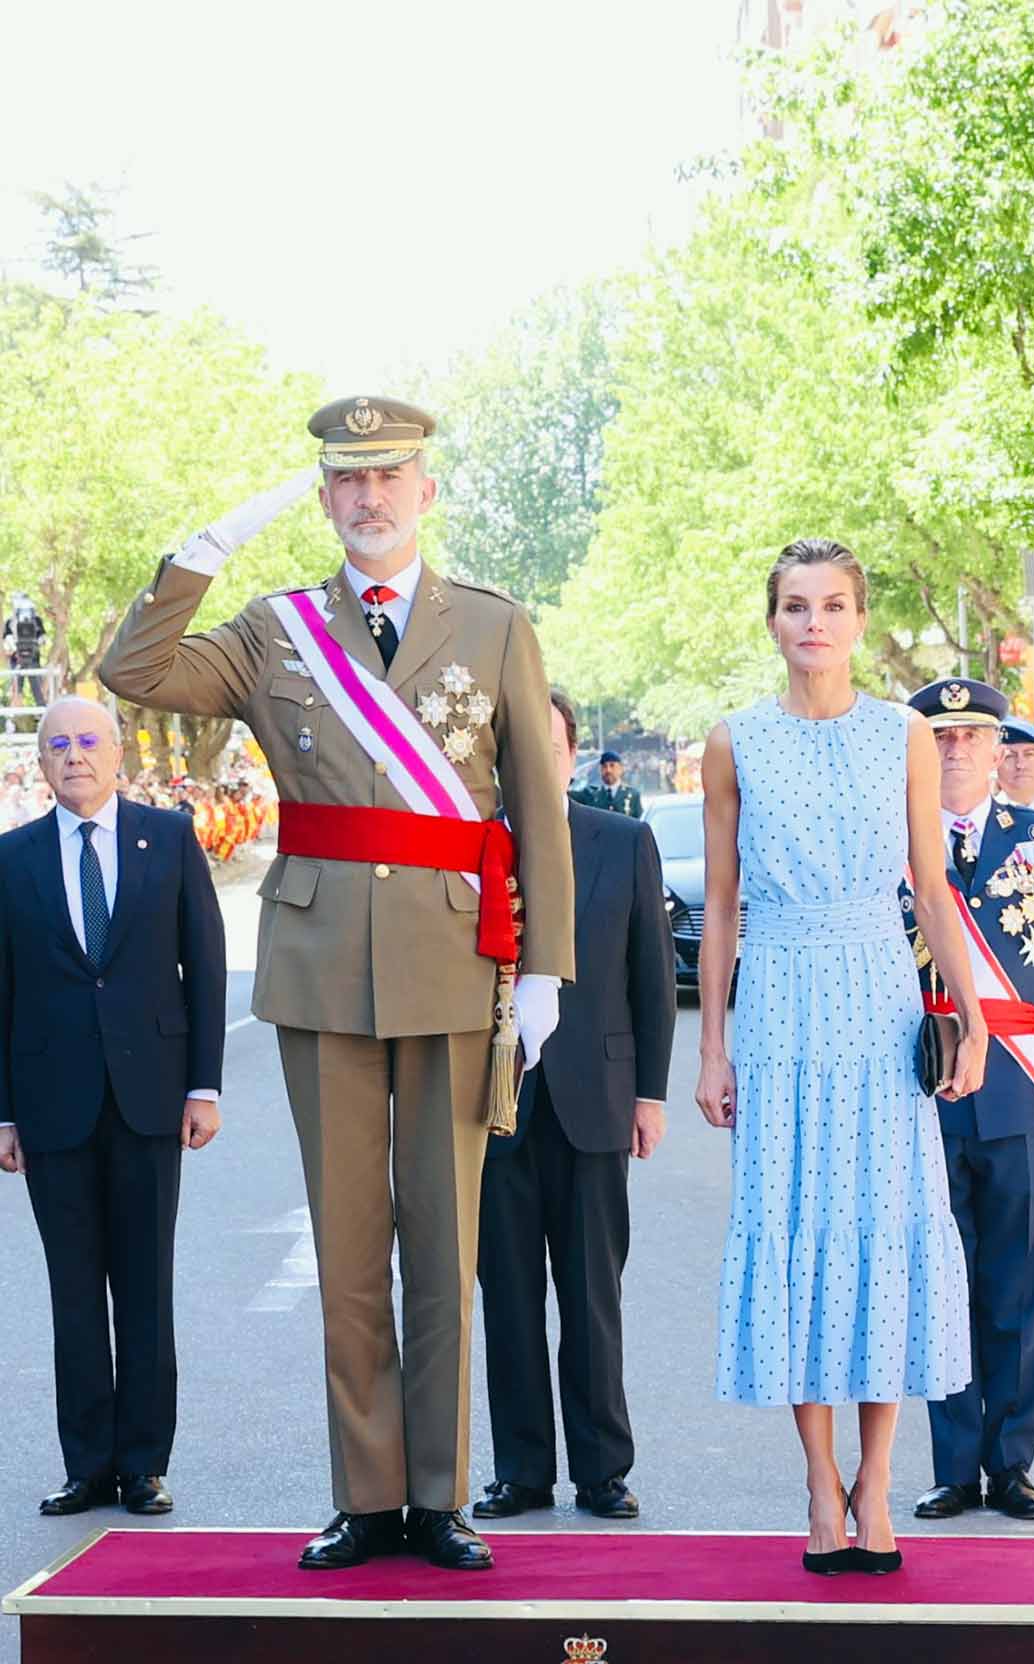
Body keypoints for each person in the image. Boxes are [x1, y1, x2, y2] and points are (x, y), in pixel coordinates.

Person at [100, 395, 574, 1572]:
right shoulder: (275, 630)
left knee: (443, 1243)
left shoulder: (494, 626)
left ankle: (438, 1494)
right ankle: (366, 1497)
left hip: (456, 960)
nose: (369, 498)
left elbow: (540, 809)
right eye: (346, 481)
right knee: (350, 1247)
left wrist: (550, 964)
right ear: (322, 500)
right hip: (319, 970)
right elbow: (135, 668)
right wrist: (201, 553)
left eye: (390, 476)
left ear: (425, 489)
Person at [696, 536, 985, 1577]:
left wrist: (975, 1012)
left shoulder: (905, 734)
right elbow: (721, 902)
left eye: (831, 605)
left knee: (883, 1226)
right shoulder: (732, 742)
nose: (813, 622)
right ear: (771, 621)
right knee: (795, 1225)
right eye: (794, 606)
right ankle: (819, 1482)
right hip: (779, 998)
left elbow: (930, 885)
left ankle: (877, 1478)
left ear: (860, 619)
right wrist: (714, 1045)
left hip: (877, 998)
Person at [0, 697, 225, 1517]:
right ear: (41, 760)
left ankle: (143, 1463)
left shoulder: (166, 838)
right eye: (57, 744)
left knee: (144, 1284)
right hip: (50, 1105)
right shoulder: (12, 857)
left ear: (117, 751)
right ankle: (87, 1463)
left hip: (150, 1099)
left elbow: (203, 963)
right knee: (71, 1290)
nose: (75, 756)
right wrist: (3, 1112)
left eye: (88, 741)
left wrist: (204, 1085)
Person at [475, 690, 675, 1522]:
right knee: (509, 1295)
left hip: (595, 1095)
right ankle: (522, 1470)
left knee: (592, 1294)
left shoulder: (622, 841)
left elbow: (652, 978)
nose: (536, 760)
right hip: (495, 1103)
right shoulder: (471, 849)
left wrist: (651, 1094)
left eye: (549, 745)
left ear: (569, 755)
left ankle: (602, 1469)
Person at [905, 680, 1034, 1523]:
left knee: (1016, 1289)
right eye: (941, 736)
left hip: (1019, 1094)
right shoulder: (894, 840)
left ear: (996, 744)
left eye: (974, 734)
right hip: (923, 1091)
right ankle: (954, 1465)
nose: (960, 748)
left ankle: (1011, 1463)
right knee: (944, 1287)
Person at [995, 719, 1034, 812]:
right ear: (995, 763)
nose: (1020, 765)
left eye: (1029, 754)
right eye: (1010, 756)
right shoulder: (980, 818)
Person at [583, 749, 643, 818]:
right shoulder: (591, 795)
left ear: (621, 769)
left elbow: (639, 823)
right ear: (600, 770)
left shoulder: (633, 795)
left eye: (612, 765)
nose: (608, 770)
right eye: (604, 766)